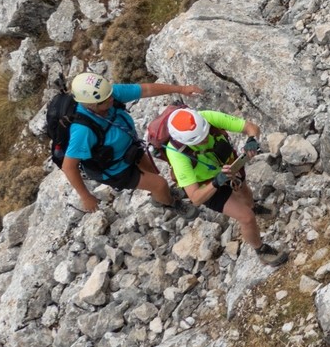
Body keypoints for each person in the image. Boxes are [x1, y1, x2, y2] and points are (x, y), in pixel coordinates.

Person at [158, 106, 289, 263]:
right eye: (201, 139)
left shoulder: (207, 117)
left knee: (243, 189)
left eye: (206, 133)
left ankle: (253, 206)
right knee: (247, 218)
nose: (206, 139)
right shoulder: (177, 155)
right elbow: (196, 198)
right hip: (206, 186)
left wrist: (252, 139)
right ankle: (260, 250)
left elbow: (251, 127)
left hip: (227, 163)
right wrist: (216, 182)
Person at [61, 72, 202, 213]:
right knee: (159, 184)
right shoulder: (82, 131)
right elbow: (69, 167)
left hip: (130, 148)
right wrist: (85, 196)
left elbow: (146, 90)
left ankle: (162, 195)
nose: (111, 99)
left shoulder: (109, 94)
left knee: (153, 174)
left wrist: (181, 89)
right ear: (90, 105)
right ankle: (171, 203)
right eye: (105, 100)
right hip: (113, 169)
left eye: (110, 94)